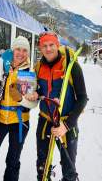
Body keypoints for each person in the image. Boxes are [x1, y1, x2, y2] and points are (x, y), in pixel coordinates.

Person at [25, 31, 88, 181]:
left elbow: (83, 98)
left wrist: (66, 126)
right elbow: (39, 89)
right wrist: (35, 93)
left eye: (51, 45)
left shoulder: (71, 66)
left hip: (66, 121)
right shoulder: (38, 67)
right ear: (40, 49)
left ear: (57, 45)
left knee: (69, 167)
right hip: (45, 120)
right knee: (42, 164)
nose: (48, 49)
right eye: (44, 46)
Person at [0, 36, 37, 181]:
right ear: (13, 50)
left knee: (12, 160)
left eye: (25, 50)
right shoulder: (1, 65)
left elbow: (33, 104)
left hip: (20, 122)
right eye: (18, 49)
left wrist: (20, 98)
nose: (21, 53)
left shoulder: (29, 72)